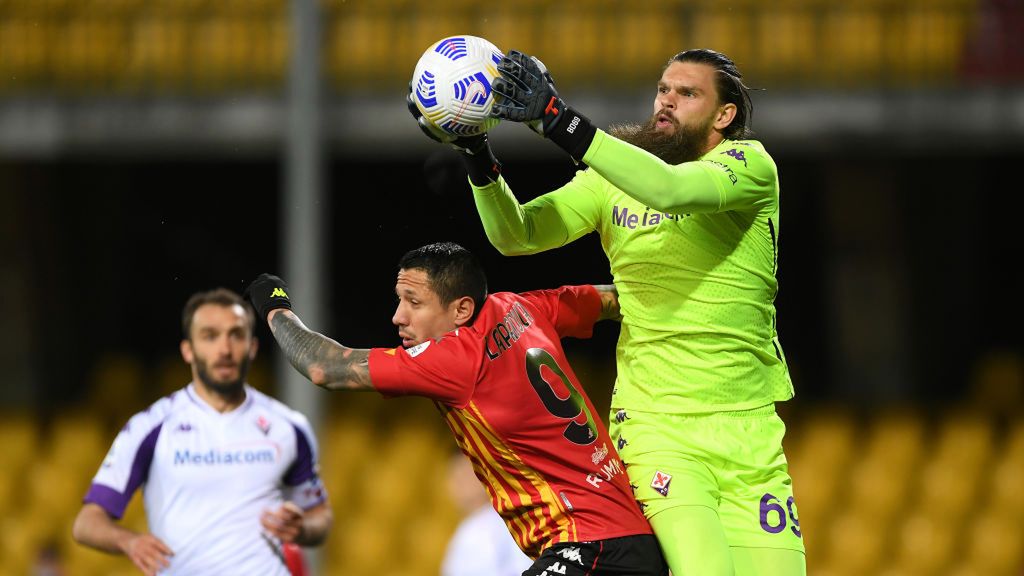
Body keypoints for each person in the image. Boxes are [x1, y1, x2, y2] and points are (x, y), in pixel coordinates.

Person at [409, 49, 806, 575]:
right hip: (658, 429)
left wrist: (557, 119)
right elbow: (517, 235)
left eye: (688, 93)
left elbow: (669, 190)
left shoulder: (749, 167)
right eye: (663, 89)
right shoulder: (610, 176)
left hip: (751, 432)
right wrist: (478, 158)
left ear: (724, 115)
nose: (667, 100)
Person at [244, 241, 668, 576]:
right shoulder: (521, 307)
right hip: (621, 536)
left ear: (462, 309)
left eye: (414, 302)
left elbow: (325, 367)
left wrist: (275, 307)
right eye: (399, 299)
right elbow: (615, 300)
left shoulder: (453, 359)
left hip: (591, 545)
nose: (397, 316)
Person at [72, 288, 332, 576]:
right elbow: (86, 523)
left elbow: (319, 517)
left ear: (253, 347)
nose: (225, 349)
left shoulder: (288, 426)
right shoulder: (151, 426)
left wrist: (302, 528)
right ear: (188, 350)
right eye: (210, 336)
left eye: (236, 335)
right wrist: (129, 541)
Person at [441, 449, 533, 576]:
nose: (460, 482)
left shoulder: (509, 519)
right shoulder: (462, 532)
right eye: (455, 475)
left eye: (465, 474)